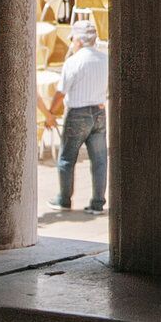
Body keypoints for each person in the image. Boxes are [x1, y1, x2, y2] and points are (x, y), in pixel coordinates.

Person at [56, 26, 109, 214]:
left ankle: (64, 199)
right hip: (99, 112)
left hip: (77, 113)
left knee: (66, 159)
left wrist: (50, 113)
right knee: (100, 161)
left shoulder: (73, 62)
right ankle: (98, 203)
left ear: (78, 40)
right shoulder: (105, 59)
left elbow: (61, 92)